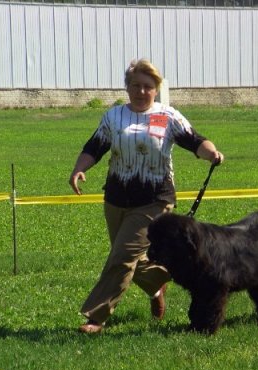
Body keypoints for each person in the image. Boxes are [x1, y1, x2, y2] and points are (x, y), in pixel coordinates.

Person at [69, 58, 224, 334]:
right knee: (135, 261)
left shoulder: (167, 116)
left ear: (156, 88)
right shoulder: (113, 117)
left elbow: (195, 140)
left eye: (147, 86)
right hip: (116, 198)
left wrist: (211, 153)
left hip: (155, 200)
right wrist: (79, 169)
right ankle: (157, 286)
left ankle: (96, 317)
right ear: (126, 87)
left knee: (121, 258)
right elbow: (95, 146)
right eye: (135, 85)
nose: (141, 91)